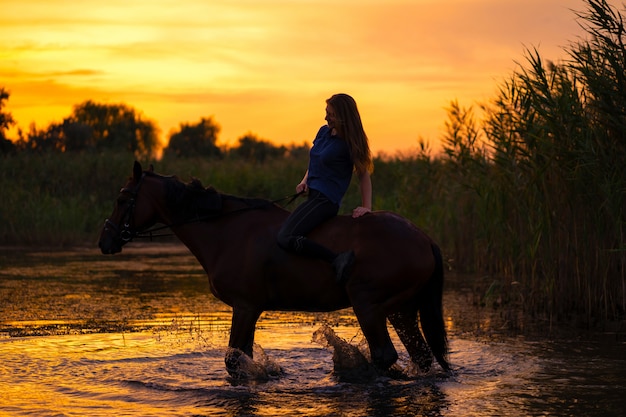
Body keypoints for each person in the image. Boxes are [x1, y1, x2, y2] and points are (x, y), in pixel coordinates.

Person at [277, 93, 374, 284]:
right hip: (312, 196)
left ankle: (337, 259)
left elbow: (363, 175)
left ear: (343, 116)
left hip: (326, 201)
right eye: (326, 112)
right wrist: (305, 181)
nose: (326, 118)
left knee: (285, 236)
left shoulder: (350, 143)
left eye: (331, 114)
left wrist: (366, 207)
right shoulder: (323, 132)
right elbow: (315, 161)